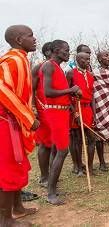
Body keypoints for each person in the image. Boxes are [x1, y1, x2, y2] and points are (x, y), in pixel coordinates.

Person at [0, 25, 39, 226]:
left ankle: (18, 208)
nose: (34, 38)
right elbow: (3, 91)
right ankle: (6, 220)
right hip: (6, 123)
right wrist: (28, 118)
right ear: (18, 39)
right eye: (30, 35)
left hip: (15, 122)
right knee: (8, 169)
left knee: (18, 164)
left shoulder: (22, 59)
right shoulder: (12, 61)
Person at [41, 40, 82, 205]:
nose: (68, 53)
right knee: (62, 151)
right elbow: (48, 92)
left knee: (57, 150)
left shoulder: (59, 68)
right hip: (54, 111)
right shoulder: (48, 66)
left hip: (62, 111)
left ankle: (52, 188)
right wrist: (70, 90)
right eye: (66, 50)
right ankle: (51, 194)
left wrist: (71, 98)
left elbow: (59, 92)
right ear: (56, 50)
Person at [66, 52, 95, 176]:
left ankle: (89, 168)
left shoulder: (91, 75)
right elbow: (66, 95)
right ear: (77, 60)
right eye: (84, 59)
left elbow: (92, 95)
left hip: (88, 109)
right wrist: (75, 113)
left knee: (92, 138)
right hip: (76, 108)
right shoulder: (71, 73)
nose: (87, 61)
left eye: (89, 59)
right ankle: (78, 167)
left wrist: (94, 112)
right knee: (77, 139)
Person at [32, 41, 54, 187]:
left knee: (54, 144)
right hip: (42, 109)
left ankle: (52, 174)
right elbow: (31, 90)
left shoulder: (57, 68)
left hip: (55, 110)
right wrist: (33, 108)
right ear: (47, 53)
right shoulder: (38, 67)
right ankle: (44, 176)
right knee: (44, 144)